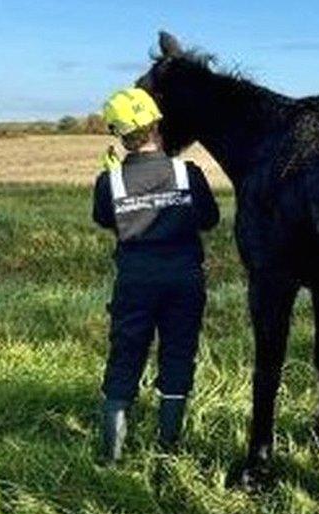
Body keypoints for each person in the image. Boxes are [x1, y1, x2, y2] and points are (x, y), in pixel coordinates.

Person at [93, 87, 220, 463]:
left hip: (134, 281)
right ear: (157, 124)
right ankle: (168, 449)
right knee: (179, 354)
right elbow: (210, 220)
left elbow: (105, 219)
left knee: (125, 355)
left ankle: (112, 458)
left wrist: (118, 185)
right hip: (184, 280)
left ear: (121, 135)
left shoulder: (109, 181)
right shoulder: (188, 173)